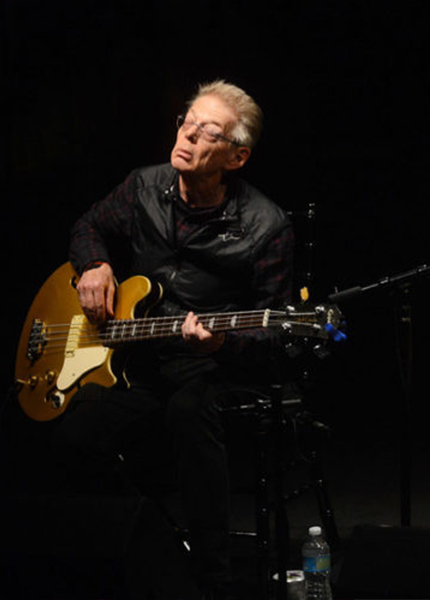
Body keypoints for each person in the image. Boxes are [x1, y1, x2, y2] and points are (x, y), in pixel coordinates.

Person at [51, 80, 294, 598]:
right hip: (136, 360)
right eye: (187, 121)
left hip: (213, 366)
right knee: (70, 431)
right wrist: (93, 265)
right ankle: (144, 542)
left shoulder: (266, 225)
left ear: (237, 156)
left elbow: (273, 332)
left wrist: (220, 345)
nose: (187, 135)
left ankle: (214, 577)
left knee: (189, 413)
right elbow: (88, 225)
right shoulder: (143, 186)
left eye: (208, 132)